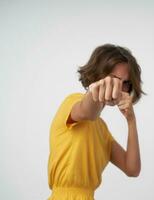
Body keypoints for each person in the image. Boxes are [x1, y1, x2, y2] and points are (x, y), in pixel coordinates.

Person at [47, 43, 146, 200]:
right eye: (113, 80)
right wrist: (97, 92)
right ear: (97, 76)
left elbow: (132, 169)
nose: (118, 88)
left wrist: (131, 121)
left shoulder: (102, 130)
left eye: (125, 83)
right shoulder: (73, 102)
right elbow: (88, 111)